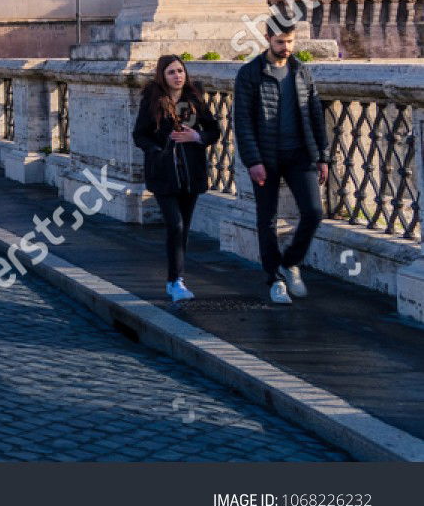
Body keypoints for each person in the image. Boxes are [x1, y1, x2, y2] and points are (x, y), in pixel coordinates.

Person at [233, 19, 332, 305]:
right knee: (267, 220)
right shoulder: (249, 74)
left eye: (290, 42)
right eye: (280, 42)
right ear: (267, 39)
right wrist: (253, 160)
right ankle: (274, 279)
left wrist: (323, 157)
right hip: (266, 156)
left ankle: (290, 262)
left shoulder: (302, 71)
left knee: (313, 213)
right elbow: (243, 122)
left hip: (300, 155)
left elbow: (316, 115)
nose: (286, 48)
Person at [132, 55, 221, 303]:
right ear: (163, 75)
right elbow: (139, 135)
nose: (177, 76)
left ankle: (175, 279)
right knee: (175, 225)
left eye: (180, 71)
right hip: (164, 175)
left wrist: (198, 137)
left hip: (190, 175)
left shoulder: (194, 99)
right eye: (171, 72)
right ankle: (176, 281)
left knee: (183, 229)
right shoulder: (152, 102)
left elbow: (214, 130)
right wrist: (157, 150)